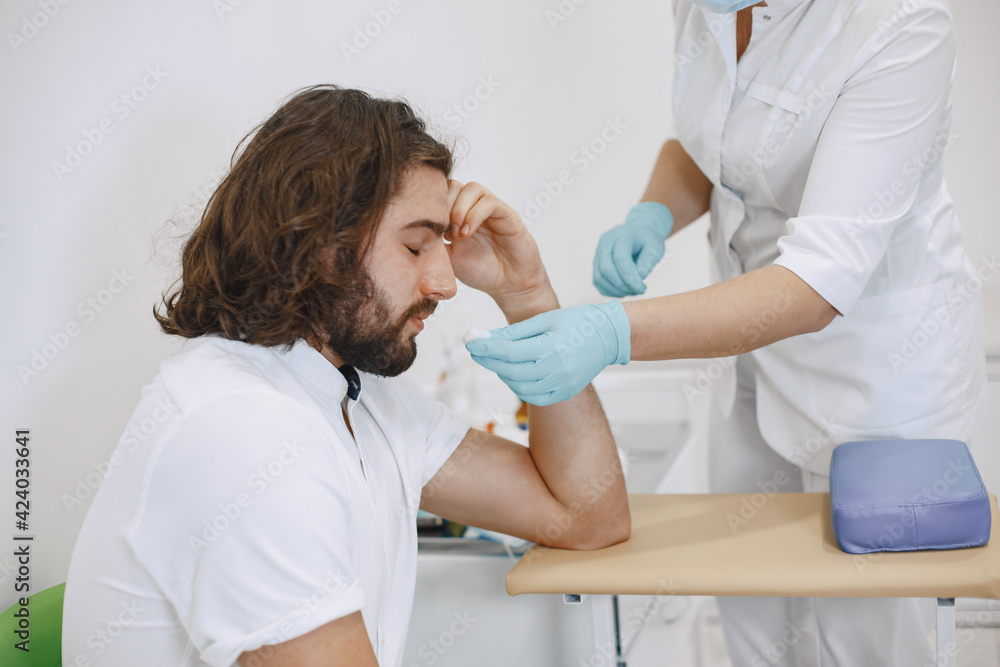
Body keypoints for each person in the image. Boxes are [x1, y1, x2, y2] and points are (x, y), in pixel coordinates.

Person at [465, 0, 988, 665]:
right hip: (748, 353)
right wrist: (651, 214)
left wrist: (612, 331)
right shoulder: (704, 5)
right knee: (750, 601)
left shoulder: (899, 23)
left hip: (877, 378)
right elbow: (709, 143)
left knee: (867, 633)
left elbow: (817, 282)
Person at [61, 85, 630, 667]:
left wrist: (528, 295)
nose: (446, 283)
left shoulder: (361, 395)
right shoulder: (241, 430)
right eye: (415, 247)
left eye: (443, 246)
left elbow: (587, 516)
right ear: (318, 243)